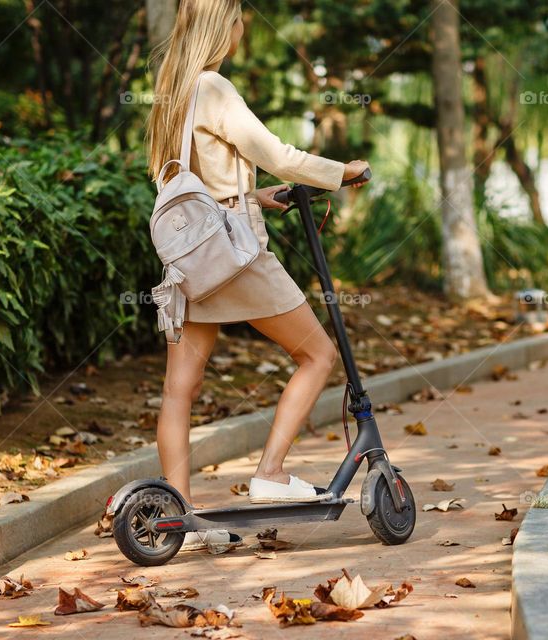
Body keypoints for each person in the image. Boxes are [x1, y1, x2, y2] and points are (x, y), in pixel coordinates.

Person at [146, 0, 369, 550]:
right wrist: (340, 172)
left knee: (179, 390)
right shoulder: (215, 87)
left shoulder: (172, 94)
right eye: (240, 19)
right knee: (318, 355)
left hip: (191, 261)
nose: (243, 28)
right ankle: (270, 471)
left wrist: (252, 196)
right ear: (226, 26)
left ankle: (179, 517)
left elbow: (190, 180)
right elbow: (277, 153)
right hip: (235, 258)